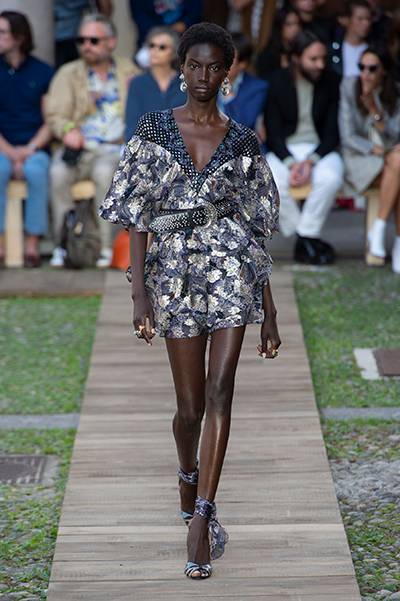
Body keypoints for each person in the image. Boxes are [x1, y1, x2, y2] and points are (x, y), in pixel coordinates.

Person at [99, 22, 281, 579]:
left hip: (231, 272)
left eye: (214, 67)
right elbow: (137, 215)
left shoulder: (243, 140)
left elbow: (255, 226)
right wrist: (139, 295)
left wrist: (269, 309)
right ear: (182, 69)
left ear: (227, 73)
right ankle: (186, 474)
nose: (203, 76)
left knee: (222, 390)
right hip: (173, 276)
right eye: (194, 65)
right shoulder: (154, 128)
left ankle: (202, 516)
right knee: (191, 408)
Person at [47, 13, 139, 268]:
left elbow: (142, 112)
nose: (86, 45)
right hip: (77, 149)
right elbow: (55, 115)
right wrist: (68, 129)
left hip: (112, 149)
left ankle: (106, 248)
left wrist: (135, 90)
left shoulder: (130, 72)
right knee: (57, 173)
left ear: (111, 42)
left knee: (104, 173)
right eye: (82, 40)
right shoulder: (68, 73)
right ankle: (63, 245)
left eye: (94, 40)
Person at [264, 30, 344, 265]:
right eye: (313, 59)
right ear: (296, 58)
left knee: (331, 177)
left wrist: (310, 162)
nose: (320, 65)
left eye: (323, 58)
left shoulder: (331, 81)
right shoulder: (276, 81)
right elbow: (273, 134)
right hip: (285, 150)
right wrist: (291, 164)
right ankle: (306, 238)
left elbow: (332, 133)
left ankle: (305, 237)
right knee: (270, 181)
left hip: (319, 149)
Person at [339, 45, 400, 273]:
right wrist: (376, 149)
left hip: (390, 159)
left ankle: (379, 229)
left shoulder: (395, 91)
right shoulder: (348, 86)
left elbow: (394, 137)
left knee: (397, 165)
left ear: (384, 70)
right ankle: (395, 242)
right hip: (359, 157)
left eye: (372, 68)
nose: (365, 73)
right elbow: (347, 136)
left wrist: (374, 109)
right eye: (361, 67)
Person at [0, 11, 54, 269]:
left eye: (2, 32)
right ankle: (1, 245)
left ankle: (32, 245)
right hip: (2, 146)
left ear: (19, 38)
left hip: (34, 147)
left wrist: (29, 149)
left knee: (37, 172)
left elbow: (50, 120)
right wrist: (11, 152)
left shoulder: (43, 71)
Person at [125, 26, 186, 142]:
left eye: (162, 47)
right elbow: (132, 126)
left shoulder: (186, 84)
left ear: (174, 53)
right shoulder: (137, 83)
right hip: (144, 149)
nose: (155, 50)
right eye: (151, 45)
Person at [218, 32, 268, 139]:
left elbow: (242, 124)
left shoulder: (257, 88)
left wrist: (228, 94)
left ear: (242, 64)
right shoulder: (204, 80)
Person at [54, 0, 113, 69]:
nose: (87, 46)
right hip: (55, 38)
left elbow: (106, 9)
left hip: (78, 35)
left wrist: (99, 28)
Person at [129, 0, 203, 51]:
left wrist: (183, 25)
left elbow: (195, 12)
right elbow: (138, 14)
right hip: (149, 40)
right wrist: (159, 32)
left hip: (186, 41)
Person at [256, 6, 303, 80]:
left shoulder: (304, 51)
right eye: (289, 24)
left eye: (298, 23)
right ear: (279, 27)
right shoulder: (268, 56)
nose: (295, 28)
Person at [330, 0, 372, 78]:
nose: (366, 24)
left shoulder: (374, 48)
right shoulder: (333, 48)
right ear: (346, 20)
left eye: (368, 19)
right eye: (360, 19)